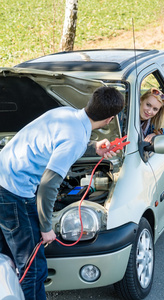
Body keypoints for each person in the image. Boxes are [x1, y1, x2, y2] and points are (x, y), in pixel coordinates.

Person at [0, 86, 124, 299]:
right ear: (109, 119)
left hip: (4, 178)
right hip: (14, 193)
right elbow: (48, 185)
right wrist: (47, 227)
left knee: (5, 257)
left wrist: (94, 146)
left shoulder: (64, 113)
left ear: (90, 102)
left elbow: (60, 142)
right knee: (33, 268)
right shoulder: (74, 138)